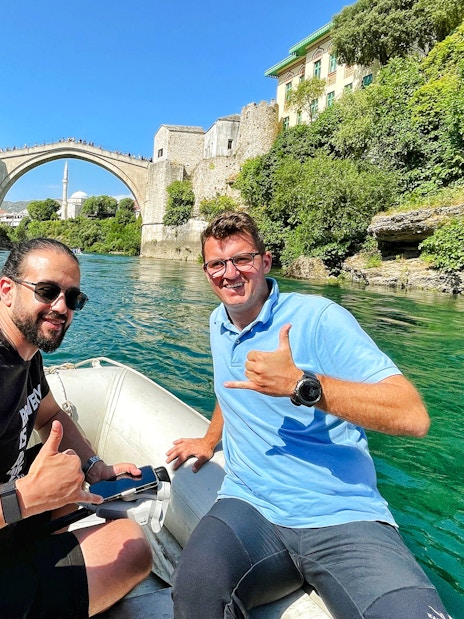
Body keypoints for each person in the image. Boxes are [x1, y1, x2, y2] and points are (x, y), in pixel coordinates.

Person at [166, 212, 450, 619]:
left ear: (265, 261)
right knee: (193, 593)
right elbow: (228, 389)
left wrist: (303, 384)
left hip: (344, 515)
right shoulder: (219, 321)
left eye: (243, 259)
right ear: (207, 271)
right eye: (217, 264)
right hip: (251, 504)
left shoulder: (318, 318)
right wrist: (211, 441)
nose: (230, 274)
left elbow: (413, 415)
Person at [0, 238, 153, 618]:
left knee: (69, 465)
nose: (61, 308)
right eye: (48, 291)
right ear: (6, 290)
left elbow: (49, 414)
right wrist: (22, 499)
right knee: (132, 545)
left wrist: (94, 466)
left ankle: (33, 564)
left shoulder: (24, 351)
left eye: (73, 299)